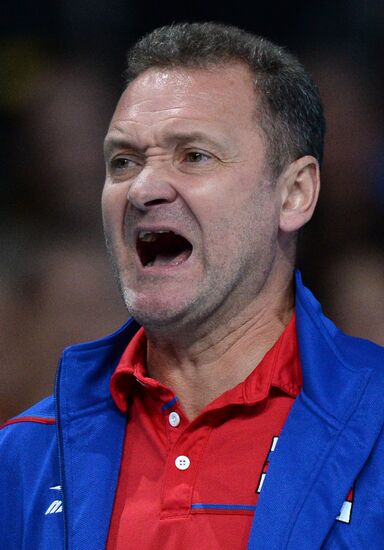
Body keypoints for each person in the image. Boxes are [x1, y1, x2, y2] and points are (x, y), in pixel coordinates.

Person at [1, 22, 383, 550]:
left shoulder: (377, 424)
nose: (143, 188)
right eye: (123, 161)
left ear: (295, 194)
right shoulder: (25, 454)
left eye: (194, 156)